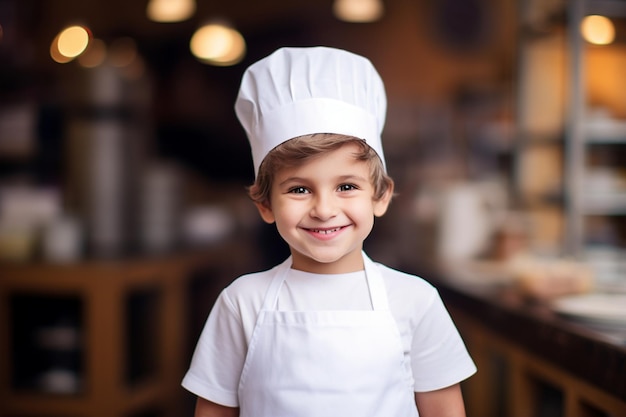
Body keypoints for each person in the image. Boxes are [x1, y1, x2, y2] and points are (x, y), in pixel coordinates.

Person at [182, 46, 476, 417]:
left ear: (381, 196)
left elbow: (444, 411)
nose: (324, 209)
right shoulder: (241, 303)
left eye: (347, 187)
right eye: (299, 189)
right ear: (265, 205)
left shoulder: (416, 301)